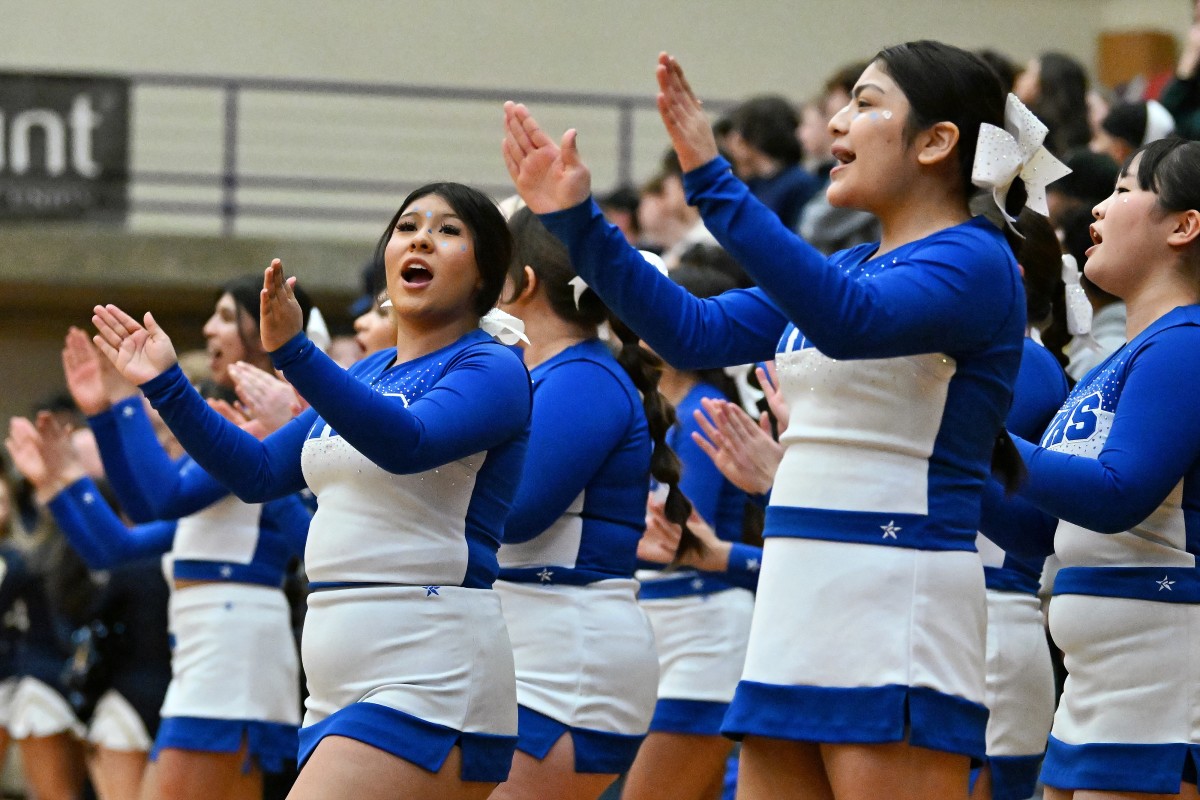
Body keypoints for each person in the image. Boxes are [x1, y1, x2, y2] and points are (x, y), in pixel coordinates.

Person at [503, 40, 1052, 799]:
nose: (836, 123)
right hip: (797, 593)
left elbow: (849, 324)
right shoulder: (853, 268)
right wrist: (578, 224)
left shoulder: (975, 262)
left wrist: (710, 178)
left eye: (866, 103)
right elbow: (692, 333)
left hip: (898, 594)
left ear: (936, 141)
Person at [91, 182, 532, 800]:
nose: (423, 237)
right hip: (334, 677)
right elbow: (259, 473)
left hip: (432, 668)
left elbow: (408, 444)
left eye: (449, 230)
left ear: (486, 274)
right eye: (407, 226)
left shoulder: (493, 367)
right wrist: (166, 384)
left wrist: (296, 354)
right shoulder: (365, 373)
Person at [984, 136, 1200, 799]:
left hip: (1160, 675)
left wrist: (975, 430)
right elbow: (1040, 533)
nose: (1098, 210)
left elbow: (1116, 495)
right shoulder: (1124, 358)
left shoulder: (1186, 345)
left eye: (1125, 189)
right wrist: (941, 452)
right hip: (1096, 684)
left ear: (1185, 226)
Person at [62, 282, 313, 800]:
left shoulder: (262, 417)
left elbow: (163, 496)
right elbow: (135, 524)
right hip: (213, 641)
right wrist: (107, 414)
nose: (208, 329)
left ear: (260, 328)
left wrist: (126, 403)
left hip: (232, 645)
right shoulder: (237, 416)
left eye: (225, 316)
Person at [489, 207, 684, 799]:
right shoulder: (547, 373)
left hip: (563, 656)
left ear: (521, 283)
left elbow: (515, 514)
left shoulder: (583, 379)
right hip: (528, 639)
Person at [623, 261, 753, 800]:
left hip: (702, 625)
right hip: (663, 622)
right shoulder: (658, 408)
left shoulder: (704, 410)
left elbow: (674, 536)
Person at [6, 412, 173, 800]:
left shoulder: (176, 505)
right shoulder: (60, 545)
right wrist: (54, 486)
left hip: (184, 688)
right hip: (105, 690)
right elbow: (80, 596)